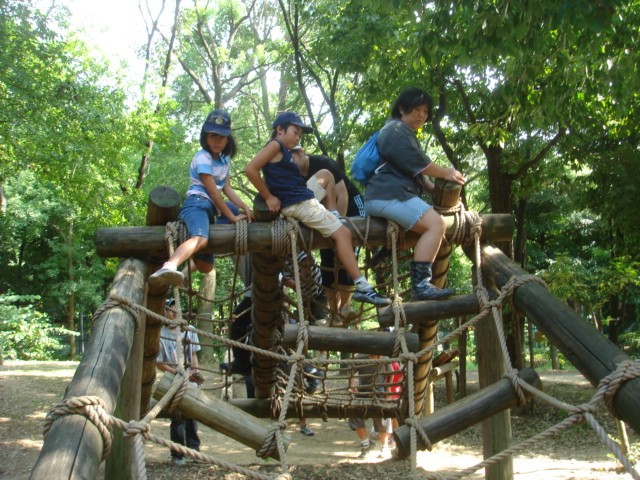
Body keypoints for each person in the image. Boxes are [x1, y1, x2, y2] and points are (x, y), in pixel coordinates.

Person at [244, 111, 390, 307]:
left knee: (325, 174)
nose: (298, 137)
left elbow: (270, 178)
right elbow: (250, 169)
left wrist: (271, 192)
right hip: (299, 204)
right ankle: (363, 286)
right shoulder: (275, 145)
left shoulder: (282, 152)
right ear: (279, 130)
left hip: (302, 198)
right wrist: (268, 197)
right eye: (295, 132)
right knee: (343, 234)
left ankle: (333, 214)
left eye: (300, 135)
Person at [363, 87, 466, 300]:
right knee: (436, 225)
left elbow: (412, 170)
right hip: (388, 195)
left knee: (425, 230)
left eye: (425, 111)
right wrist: (446, 172)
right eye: (417, 109)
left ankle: (387, 250)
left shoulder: (402, 132)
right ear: (402, 109)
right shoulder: (396, 130)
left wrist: (430, 187)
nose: (422, 115)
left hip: (388, 195)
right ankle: (421, 285)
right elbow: (420, 163)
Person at [149, 109, 253, 287]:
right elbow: (213, 192)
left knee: (206, 267)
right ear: (205, 136)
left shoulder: (225, 160)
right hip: (196, 204)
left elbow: (227, 188)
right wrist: (232, 217)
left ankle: (195, 250)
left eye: (222, 136)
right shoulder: (202, 158)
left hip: (211, 210)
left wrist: (245, 207)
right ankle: (169, 266)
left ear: (228, 139)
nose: (217, 140)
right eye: (213, 136)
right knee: (201, 238)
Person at [291, 145, 365, 325]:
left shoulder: (323, 164)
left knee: (346, 257)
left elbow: (343, 195)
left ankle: (345, 307)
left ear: (300, 152)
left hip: (350, 209)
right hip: (325, 216)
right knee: (327, 262)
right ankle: (334, 312)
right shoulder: (293, 176)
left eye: (291, 156)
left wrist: (337, 226)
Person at [157, 298, 204, 465]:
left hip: (189, 376)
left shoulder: (189, 330)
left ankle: (194, 450)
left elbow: (194, 354)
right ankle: (177, 454)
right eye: (171, 309)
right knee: (177, 416)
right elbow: (159, 363)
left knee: (192, 414)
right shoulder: (160, 334)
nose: (175, 312)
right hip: (173, 377)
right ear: (165, 312)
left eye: (177, 309)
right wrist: (179, 373)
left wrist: (196, 372)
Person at [348, 354, 394, 459]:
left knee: (382, 415)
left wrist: (388, 389)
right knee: (354, 412)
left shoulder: (384, 359)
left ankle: (384, 446)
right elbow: (350, 370)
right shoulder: (360, 358)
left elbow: (391, 373)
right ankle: (366, 444)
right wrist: (352, 383)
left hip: (379, 391)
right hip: (362, 391)